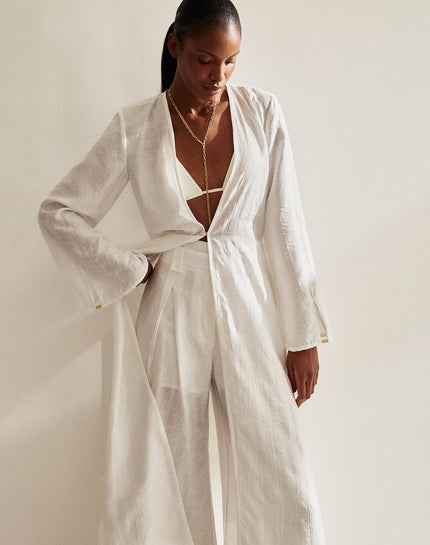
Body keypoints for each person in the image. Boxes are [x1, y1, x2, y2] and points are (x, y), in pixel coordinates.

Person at [38, 1, 333, 544]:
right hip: (171, 311)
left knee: (282, 471)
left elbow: (286, 224)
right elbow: (60, 212)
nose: (218, 76)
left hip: (247, 308)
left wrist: (302, 336)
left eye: (230, 61)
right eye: (204, 59)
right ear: (175, 45)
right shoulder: (134, 128)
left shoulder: (262, 113)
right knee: (170, 471)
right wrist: (128, 269)